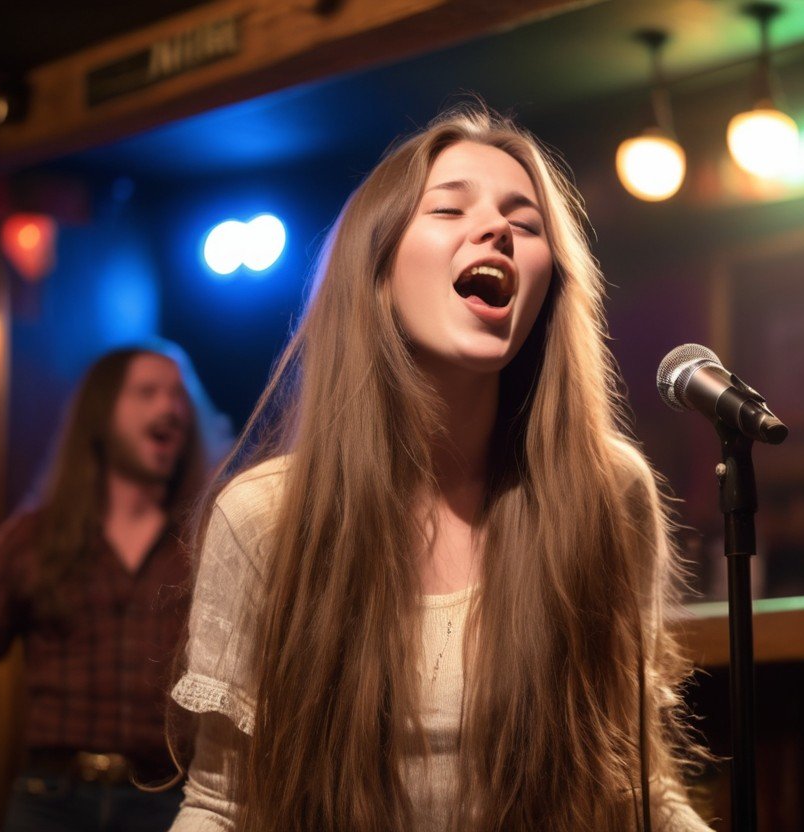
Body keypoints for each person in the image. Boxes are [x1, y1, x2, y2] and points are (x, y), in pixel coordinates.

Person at [170, 106, 713, 831]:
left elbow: (639, 791)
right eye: (449, 207)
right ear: (377, 269)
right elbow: (220, 807)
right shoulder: (265, 517)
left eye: (525, 223)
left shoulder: (607, 494)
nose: (495, 230)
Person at [0, 343, 218, 832]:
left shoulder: (206, 540)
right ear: (101, 413)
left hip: (170, 803)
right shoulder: (34, 538)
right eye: (147, 392)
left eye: (179, 395)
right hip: (51, 800)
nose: (169, 407)